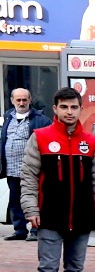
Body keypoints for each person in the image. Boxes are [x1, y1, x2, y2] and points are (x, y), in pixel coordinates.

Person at [23, 88, 95, 272]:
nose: (69, 112)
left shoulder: (91, 142)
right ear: (55, 109)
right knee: (47, 269)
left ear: (80, 109)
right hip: (49, 216)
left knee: (75, 270)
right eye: (64, 107)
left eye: (73, 107)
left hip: (82, 217)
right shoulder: (40, 137)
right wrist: (31, 209)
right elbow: (28, 177)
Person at [3, 88, 50, 241]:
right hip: (12, 168)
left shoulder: (40, 119)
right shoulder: (7, 117)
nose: (22, 103)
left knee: (34, 199)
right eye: (18, 100)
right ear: (12, 101)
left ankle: (36, 230)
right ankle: (19, 230)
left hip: (32, 168)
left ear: (30, 100)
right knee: (15, 200)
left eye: (24, 100)